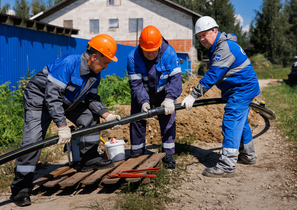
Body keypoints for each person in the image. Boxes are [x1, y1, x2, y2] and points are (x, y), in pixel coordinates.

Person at [11, 34, 122, 207]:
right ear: (94, 57)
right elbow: (52, 96)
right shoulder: (69, 64)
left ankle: (89, 159)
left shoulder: (94, 74)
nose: (106, 67)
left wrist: (107, 115)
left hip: (67, 102)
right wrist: (62, 126)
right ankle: (21, 188)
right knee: (32, 142)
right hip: (39, 101)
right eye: (106, 62)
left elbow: (92, 99)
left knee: (90, 117)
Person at [181, 16, 260, 178]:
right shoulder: (218, 47)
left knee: (231, 120)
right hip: (238, 89)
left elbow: (213, 75)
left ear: (215, 31)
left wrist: (193, 95)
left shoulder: (224, 48)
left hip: (242, 89)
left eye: (205, 34)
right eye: (199, 36)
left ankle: (227, 166)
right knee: (241, 121)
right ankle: (248, 155)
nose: (202, 39)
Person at [127, 25, 182, 168]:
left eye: (153, 51)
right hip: (142, 93)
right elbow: (136, 84)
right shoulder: (132, 57)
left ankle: (168, 154)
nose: (150, 55)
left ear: (159, 46)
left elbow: (175, 80)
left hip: (164, 93)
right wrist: (143, 102)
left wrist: (170, 98)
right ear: (141, 46)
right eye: (147, 51)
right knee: (137, 120)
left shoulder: (170, 54)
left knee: (168, 120)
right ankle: (137, 153)